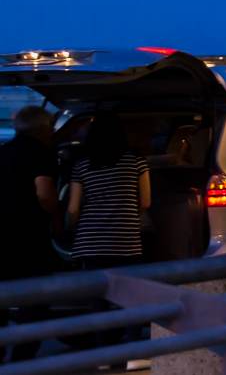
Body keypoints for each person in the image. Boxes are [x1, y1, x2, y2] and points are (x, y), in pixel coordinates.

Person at [1, 105, 61, 361]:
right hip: (29, 237)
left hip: (2, 236)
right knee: (35, 299)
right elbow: (44, 193)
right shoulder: (40, 153)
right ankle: (23, 356)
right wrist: (57, 215)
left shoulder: (3, 152)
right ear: (42, 129)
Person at [67, 113, 150, 272]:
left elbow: (73, 209)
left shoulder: (81, 166)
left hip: (89, 242)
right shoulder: (136, 161)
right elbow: (146, 202)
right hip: (126, 241)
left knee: (92, 291)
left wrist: (70, 227)